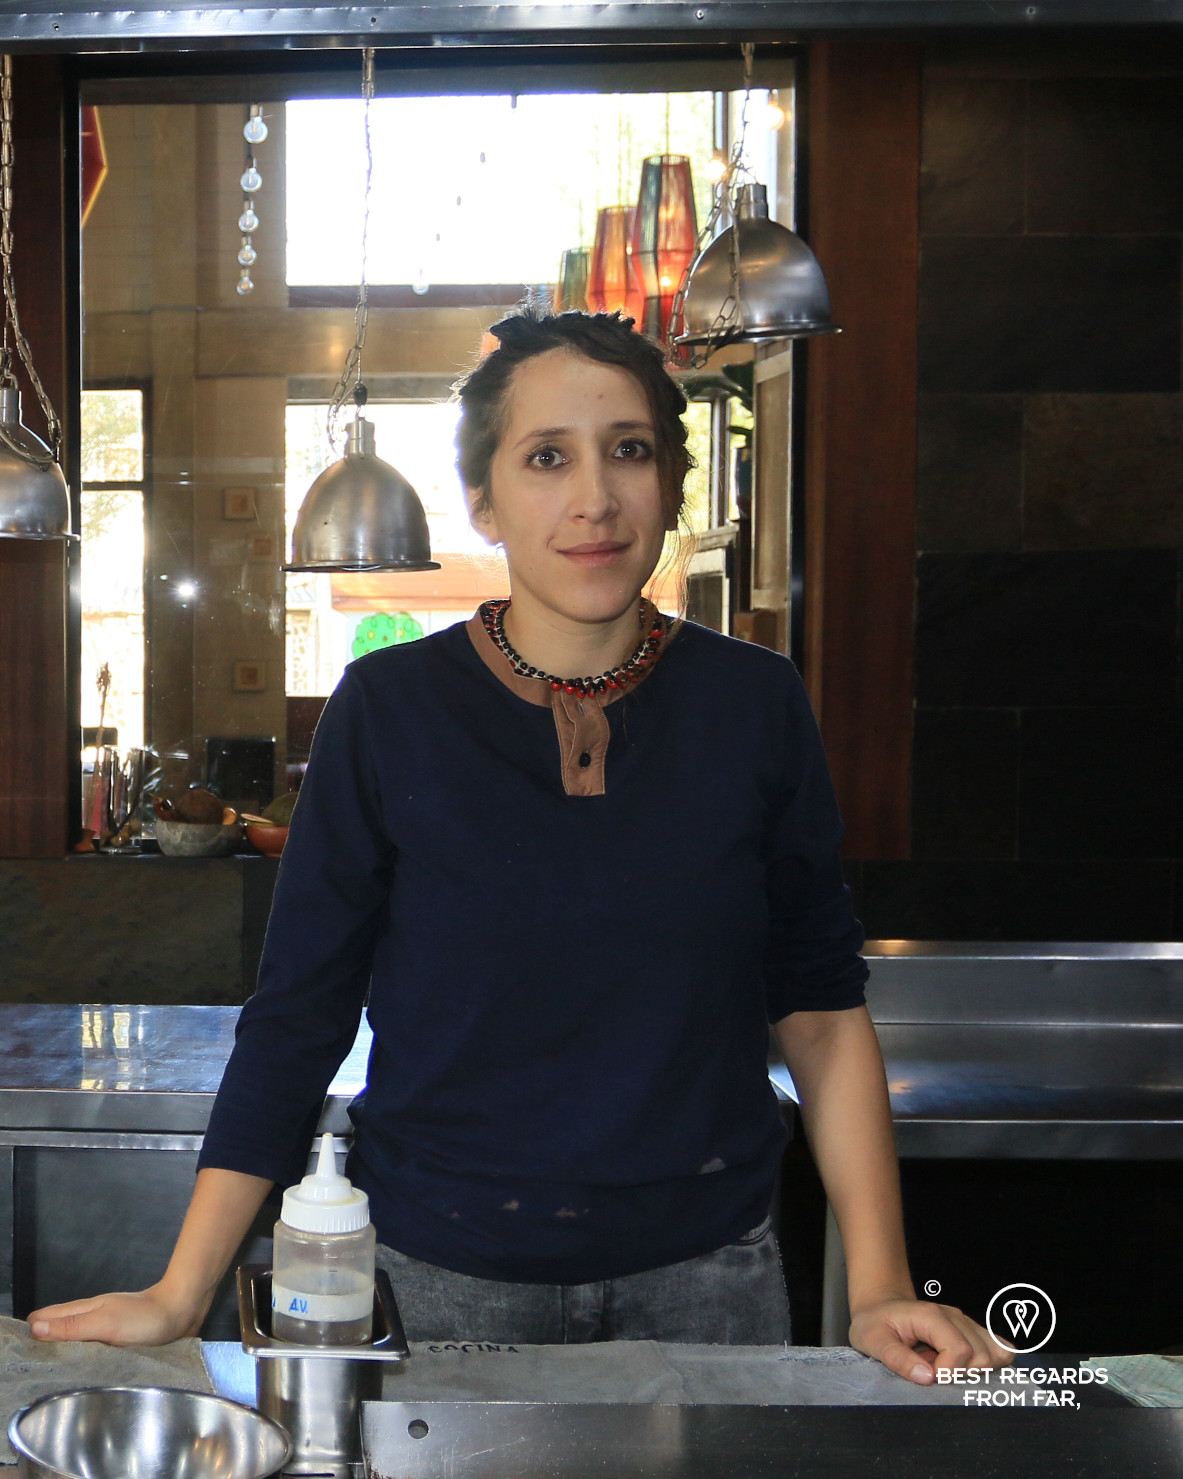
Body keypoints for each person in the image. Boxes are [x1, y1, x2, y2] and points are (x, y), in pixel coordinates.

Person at [30, 309, 1010, 1378]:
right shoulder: (390, 708)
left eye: (627, 450)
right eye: (547, 458)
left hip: (708, 1283)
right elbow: (301, 1014)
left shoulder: (755, 704)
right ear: (484, 501)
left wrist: (878, 1288)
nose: (593, 498)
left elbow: (819, 1012)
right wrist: (183, 1291)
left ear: (671, 483)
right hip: (442, 1278)